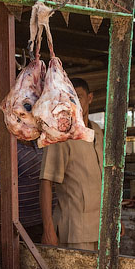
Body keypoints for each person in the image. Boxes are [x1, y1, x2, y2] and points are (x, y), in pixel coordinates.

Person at [39, 78, 104, 250]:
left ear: (90, 98)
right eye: (70, 98)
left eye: (79, 97)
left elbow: (107, 180)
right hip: (76, 230)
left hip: (101, 228)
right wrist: (48, 229)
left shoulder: (97, 130)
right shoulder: (60, 135)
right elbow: (46, 181)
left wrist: (115, 220)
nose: (75, 103)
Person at [0, 139, 48, 243]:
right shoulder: (7, 151)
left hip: (48, 222)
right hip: (25, 227)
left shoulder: (43, 145)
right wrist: (0, 233)